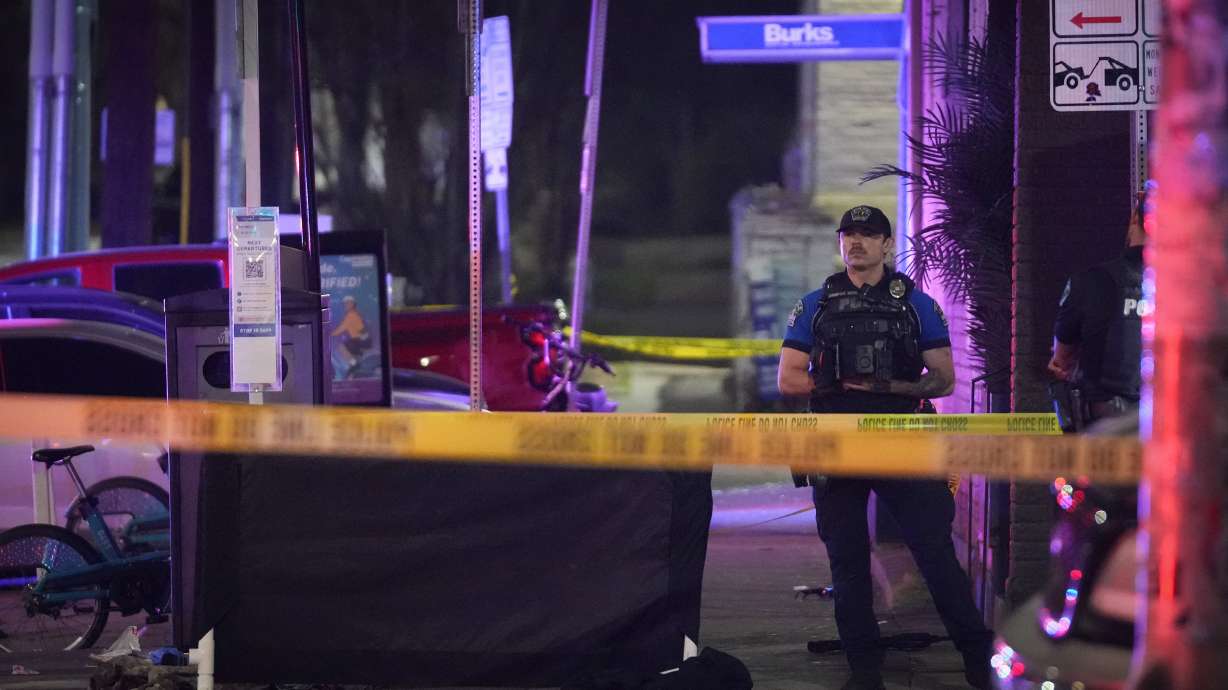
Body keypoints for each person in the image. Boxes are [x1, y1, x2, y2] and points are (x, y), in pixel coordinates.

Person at [777, 205, 993, 690]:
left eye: (868, 235)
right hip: (835, 444)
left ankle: (978, 661)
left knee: (935, 556)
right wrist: (835, 383)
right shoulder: (816, 304)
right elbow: (788, 377)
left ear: (886, 244)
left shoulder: (915, 305)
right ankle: (864, 673)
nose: (856, 243)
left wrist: (888, 389)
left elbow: (942, 379)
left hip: (902, 441)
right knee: (848, 565)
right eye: (848, 234)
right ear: (840, 243)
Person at [1047, 186, 1149, 426]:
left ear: (1135, 218)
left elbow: (1062, 362)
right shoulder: (1198, 292)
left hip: (1105, 440)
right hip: (1177, 440)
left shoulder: (1090, 282)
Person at [331, 295, 372, 378]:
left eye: (347, 304)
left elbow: (341, 328)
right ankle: (354, 368)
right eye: (345, 304)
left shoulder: (352, 315)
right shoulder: (352, 315)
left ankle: (354, 364)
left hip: (360, 340)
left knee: (341, 347)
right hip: (359, 340)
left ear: (352, 304)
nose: (345, 306)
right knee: (353, 359)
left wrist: (330, 334)